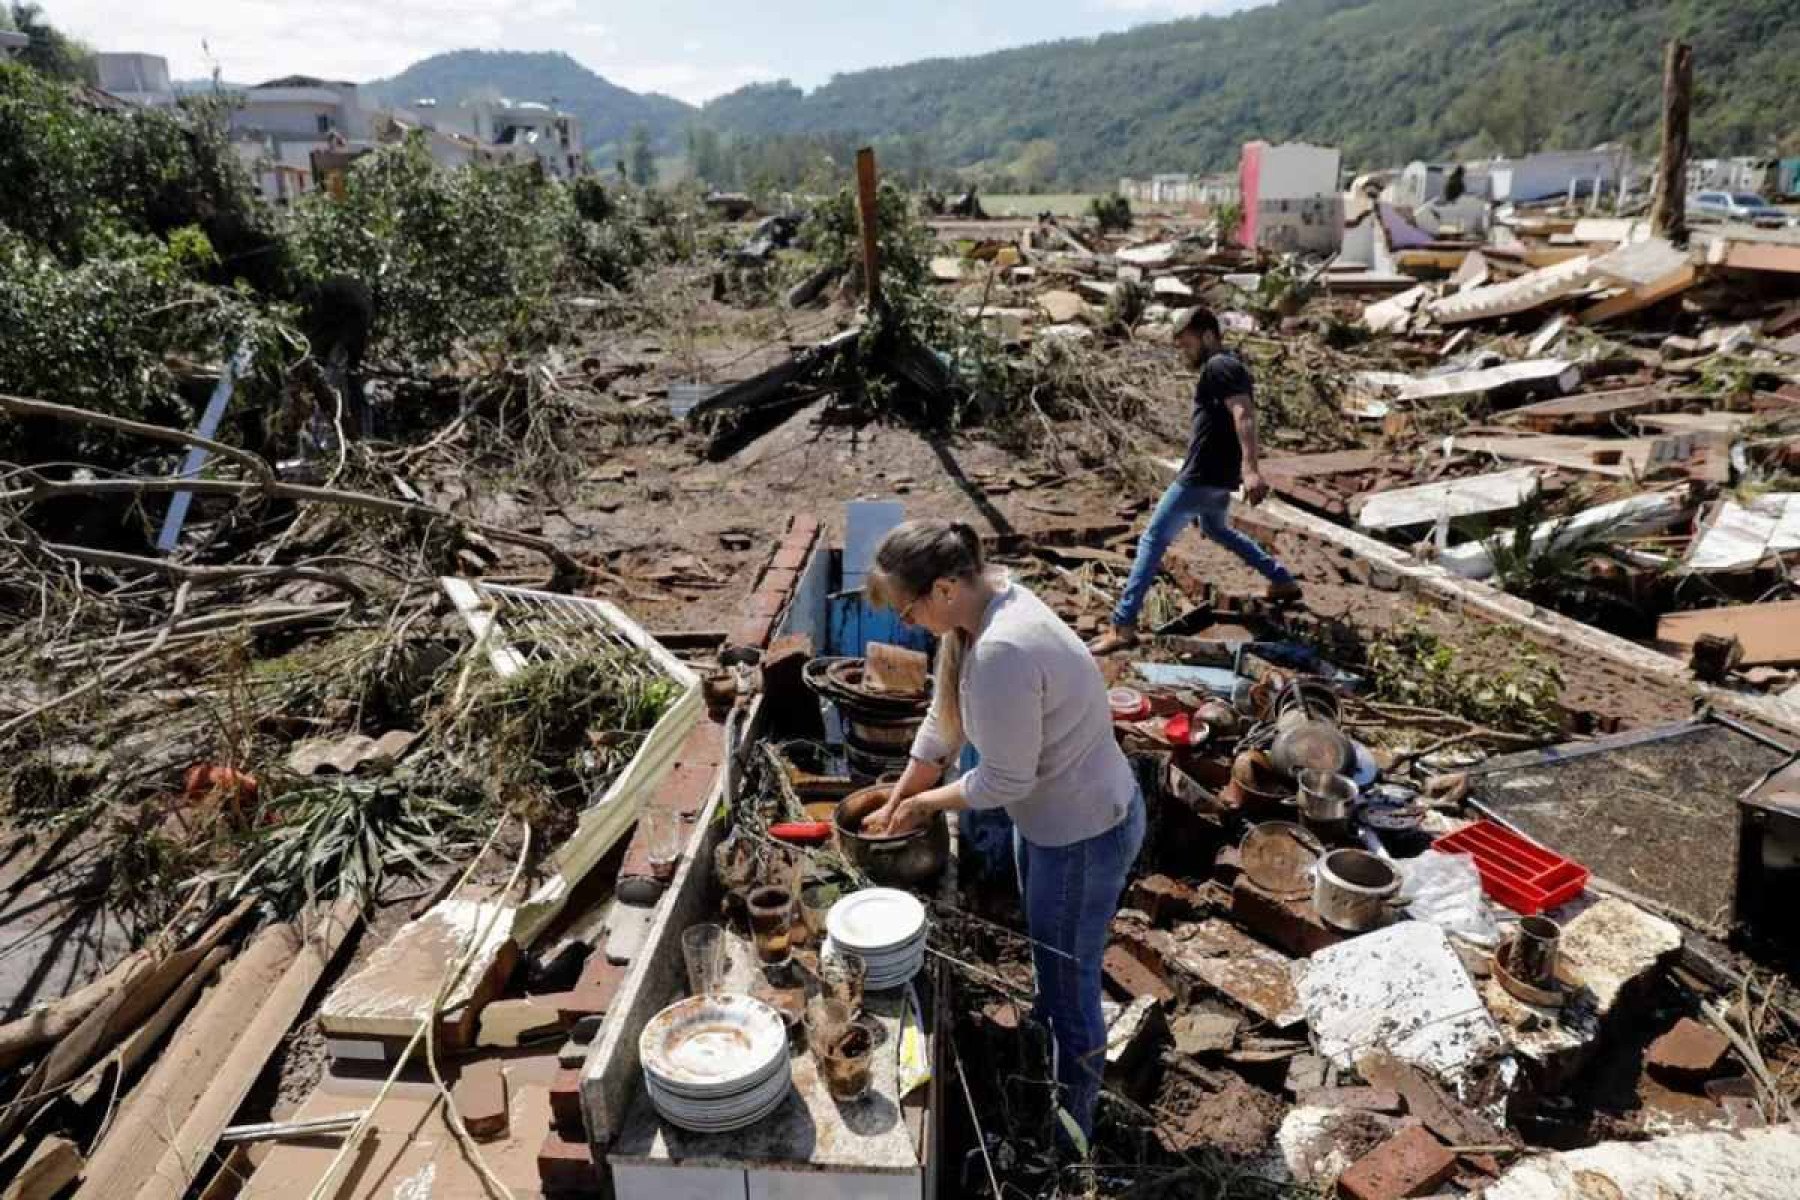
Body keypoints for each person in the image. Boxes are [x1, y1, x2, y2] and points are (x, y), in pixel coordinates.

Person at [861, 520, 1144, 1144]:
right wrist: (901, 791)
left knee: (1072, 982)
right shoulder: (980, 610)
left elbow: (1004, 782)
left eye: (907, 610)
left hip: (1083, 832)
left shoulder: (1002, 650)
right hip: (1052, 822)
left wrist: (923, 807)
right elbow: (944, 723)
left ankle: (1072, 1133)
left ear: (941, 588)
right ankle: (1053, 1061)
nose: (905, 626)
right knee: (1053, 959)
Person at [1089, 306, 1300, 656]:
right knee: (1216, 530)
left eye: (1187, 344)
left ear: (1207, 335)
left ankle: (1122, 625)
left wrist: (1251, 469)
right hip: (1216, 476)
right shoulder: (1224, 367)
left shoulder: (1220, 365)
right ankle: (1280, 579)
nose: (1184, 352)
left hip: (1201, 476)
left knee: (1152, 539)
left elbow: (1244, 412)